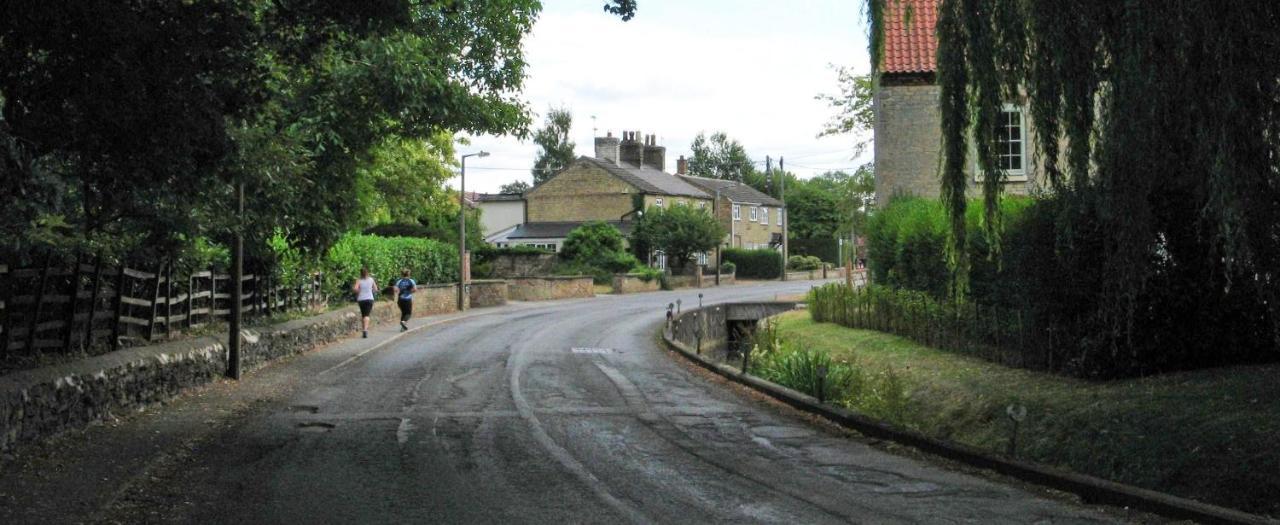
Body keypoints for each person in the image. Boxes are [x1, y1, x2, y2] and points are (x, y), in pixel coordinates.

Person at [352, 267, 376, 338]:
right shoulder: (371, 279)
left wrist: (360, 292)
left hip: (361, 299)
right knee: (367, 315)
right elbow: (375, 289)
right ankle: (365, 330)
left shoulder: (358, 280)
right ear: (367, 273)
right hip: (369, 299)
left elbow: (355, 289)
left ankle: (364, 329)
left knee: (363, 315)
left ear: (361, 273)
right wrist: (370, 291)